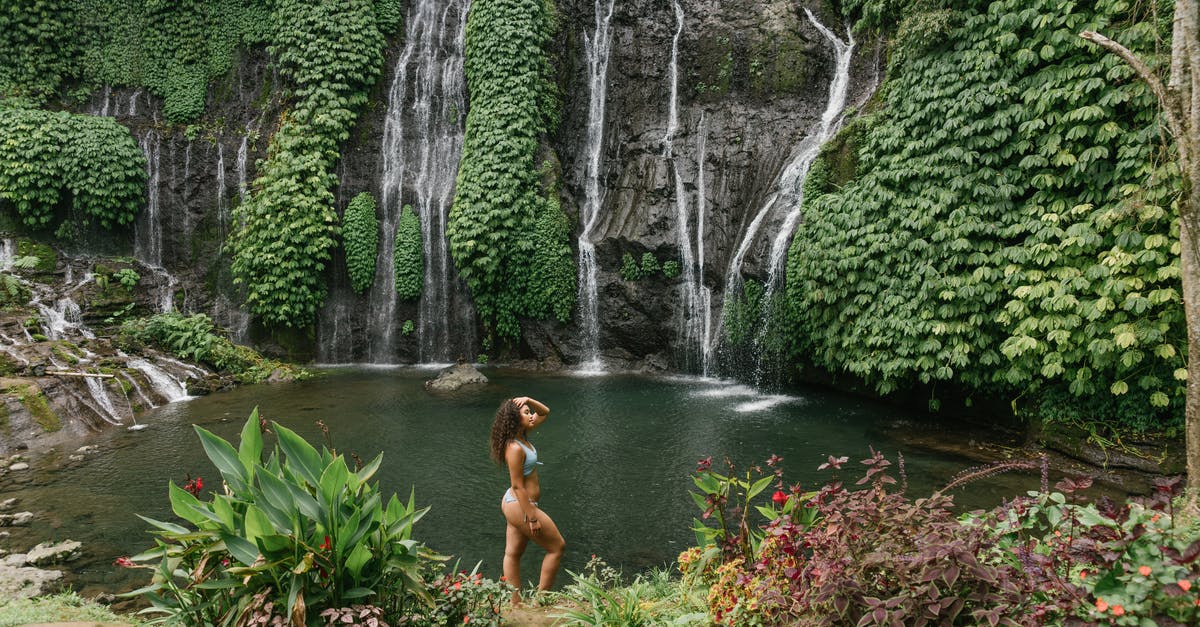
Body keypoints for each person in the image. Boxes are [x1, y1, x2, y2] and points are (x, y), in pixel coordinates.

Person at [490, 396, 564, 604]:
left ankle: (515, 604)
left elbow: (544, 412)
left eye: (529, 411)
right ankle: (541, 601)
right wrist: (531, 517)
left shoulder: (522, 436)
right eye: (525, 413)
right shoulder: (514, 448)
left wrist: (529, 400)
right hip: (520, 505)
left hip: (517, 503)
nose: (531, 415)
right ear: (514, 419)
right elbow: (517, 485)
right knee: (557, 547)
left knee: (513, 553)